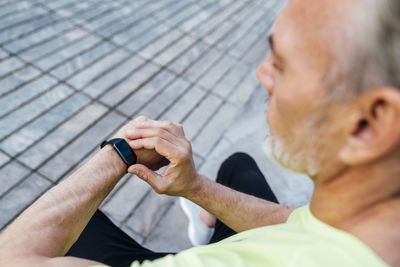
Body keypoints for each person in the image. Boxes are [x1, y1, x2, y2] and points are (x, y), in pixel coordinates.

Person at [1, 0, 400, 266]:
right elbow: (303, 223)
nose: (262, 74)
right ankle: (206, 222)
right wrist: (194, 186)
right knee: (238, 168)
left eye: (281, 64)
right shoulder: (364, 223)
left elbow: (13, 260)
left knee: (70, 221)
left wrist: (119, 151)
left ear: (370, 123)